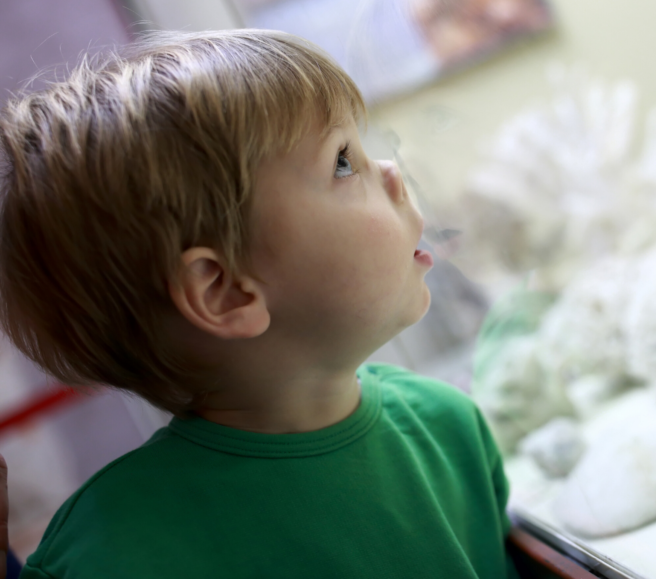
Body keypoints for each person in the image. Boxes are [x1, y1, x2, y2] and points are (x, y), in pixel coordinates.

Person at [0, 31, 518, 578]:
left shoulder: (450, 428)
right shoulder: (110, 553)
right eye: (343, 162)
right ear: (224, 292)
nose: (389, 170)